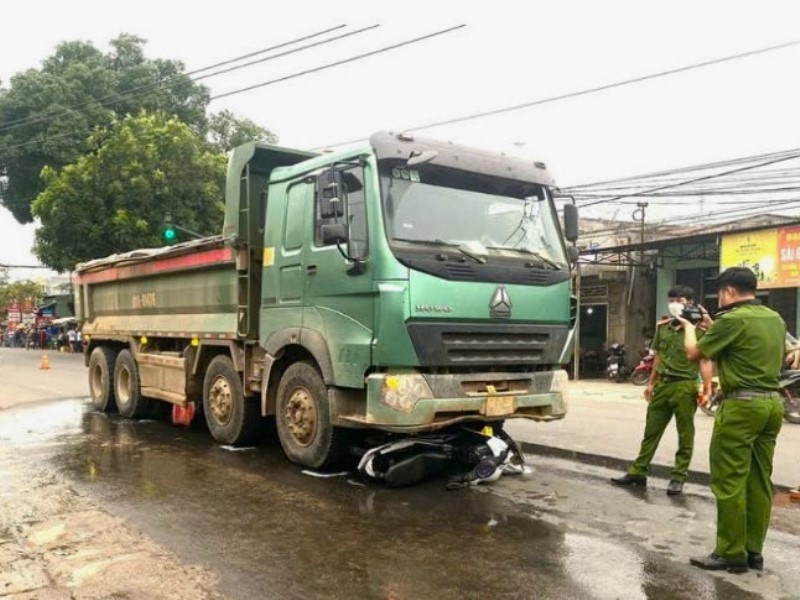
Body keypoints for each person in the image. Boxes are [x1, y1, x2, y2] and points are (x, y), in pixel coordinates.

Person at [679, 267, 785, 574]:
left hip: (741, 407)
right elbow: (744, 344)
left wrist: (688, 326)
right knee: (760, 479)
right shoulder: (774, 318)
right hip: (772, 405)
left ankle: (730, 552)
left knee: (730, 480)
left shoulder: (732, 320)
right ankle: (754, 551)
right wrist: (712, 325)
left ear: (727, 292)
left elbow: (694, 354)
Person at [611, 285, 712, 495]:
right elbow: (658, 356)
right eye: (672, 299)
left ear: (690, 304)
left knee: (685, 434)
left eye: (681, 300)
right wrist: (650, 382)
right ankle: (638, 472)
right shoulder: (663, 328)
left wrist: (707, 387)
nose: (675, 304)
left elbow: (704, 361)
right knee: (651, 431)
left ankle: (678, 477)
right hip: (663, 386)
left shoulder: (699, 332)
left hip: (685, 386)